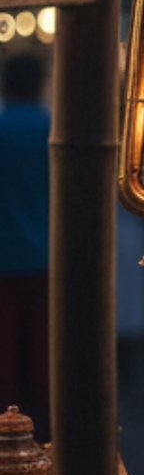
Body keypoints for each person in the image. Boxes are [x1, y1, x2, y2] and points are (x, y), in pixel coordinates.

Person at [0, 54, 51, 438]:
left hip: (4, 261)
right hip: (48, 260)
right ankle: (45, 440)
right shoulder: (54, 131)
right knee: (43, 361)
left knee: (6, 363)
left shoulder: (2, 130)